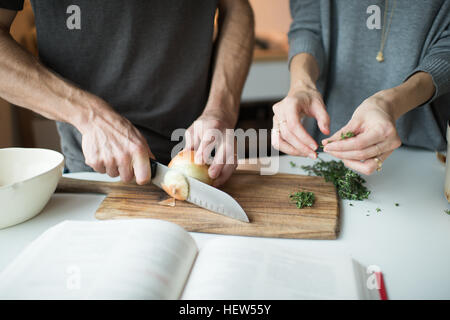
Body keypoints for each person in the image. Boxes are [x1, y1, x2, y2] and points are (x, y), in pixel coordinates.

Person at [0, 0, 254, 186]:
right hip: (96, 176)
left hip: (204, 163)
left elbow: (236, 7)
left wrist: (221, 109)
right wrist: (90, 116)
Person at [272, 0, 450, 175]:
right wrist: (302, 85)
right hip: (323, 153)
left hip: (428, 158)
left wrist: (389, 103)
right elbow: (307, 26)